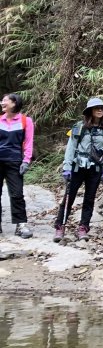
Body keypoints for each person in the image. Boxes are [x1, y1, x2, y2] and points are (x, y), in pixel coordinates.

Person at [55, 97, 103, 242]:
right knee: (69, 197)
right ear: (90, 111)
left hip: (95, 169)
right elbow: (71, 147)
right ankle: (60, 226)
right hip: (77, 167)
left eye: (102, 108)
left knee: (89, 199)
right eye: (97, 108)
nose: (100, 110)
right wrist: (67, 167)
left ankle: (83, 227)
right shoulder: (78, 126)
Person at [0, 93, 34, 239]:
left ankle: (21, 225)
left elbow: (28, 142)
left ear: (14, 103)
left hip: (15, 162)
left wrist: (26, 161)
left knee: (17, 194)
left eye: (5, 100)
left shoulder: (26, 121)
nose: (2, 103)